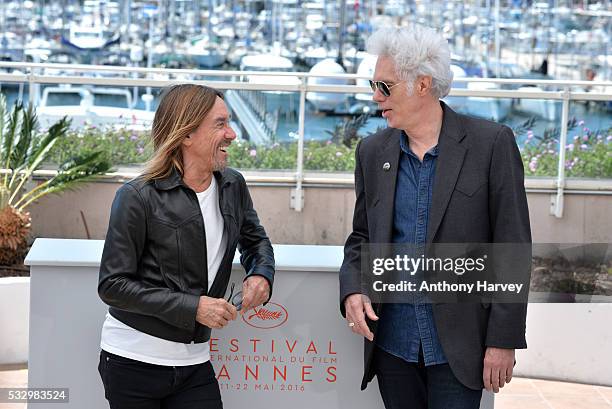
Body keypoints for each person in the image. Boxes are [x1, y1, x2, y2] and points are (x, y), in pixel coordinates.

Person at [339, 26, 531, 409]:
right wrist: (353, 288)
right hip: (392, 344)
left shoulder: (491, 144)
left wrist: (503, 339)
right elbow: (362, 236)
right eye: (373, 83)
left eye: (385, 85)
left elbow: (512, 247)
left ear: (422, 85)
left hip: (459, 347)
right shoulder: (372, 151)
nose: (375, 96)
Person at [97, 84, 275, 409]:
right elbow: (113, 285)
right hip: (132, 362)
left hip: (195, 364)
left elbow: (255, 240)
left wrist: (261, 274)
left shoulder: (233, 184)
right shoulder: (137, 196)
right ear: (186, 135)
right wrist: (193, 307)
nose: (232, 134)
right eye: (220, 124)